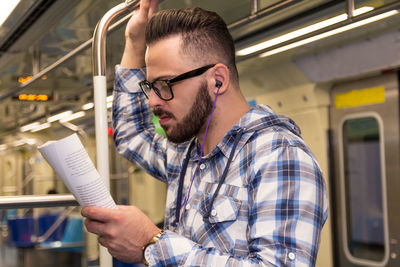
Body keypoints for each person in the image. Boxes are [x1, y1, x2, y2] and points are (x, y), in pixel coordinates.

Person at [81, 0, 329, 266]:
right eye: (150, 87)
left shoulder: (279, 156)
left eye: (164, 85)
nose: (153, 101)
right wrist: (133, 43)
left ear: (217, 81)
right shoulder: (186, 153)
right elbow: (131, 135)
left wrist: (151, 243)